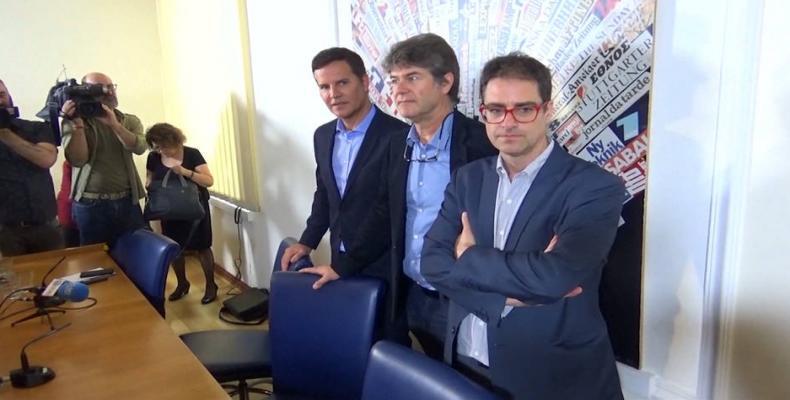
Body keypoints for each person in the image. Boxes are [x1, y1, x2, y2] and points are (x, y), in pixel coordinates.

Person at [421, 53, 625, 399]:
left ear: (547, 110)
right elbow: (432, 263)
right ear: (483, 113)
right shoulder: (468, 178)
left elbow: (556, 277)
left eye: (524, 109)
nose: (508, 122)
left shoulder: (596, 186)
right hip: (465, 363)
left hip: (552, 375)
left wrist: (468, 258)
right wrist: (505, 298)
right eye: (496, 110)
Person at [337, 33, 496, 359]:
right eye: (394, 80)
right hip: (410, 292)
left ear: (445, 82)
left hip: (459, 298)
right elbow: (386, 213)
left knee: (465, 385)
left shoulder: (483, 144)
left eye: (412, 77)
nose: (398, 89)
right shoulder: (397, 144)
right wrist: (342, 266)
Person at [279, 47, 408, 338]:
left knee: (386, 343)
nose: (333, 93)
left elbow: (388, 210)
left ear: (364, 82)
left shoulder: (398, 136)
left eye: (342, 83)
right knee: (349, 338)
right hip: (341, 255)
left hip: (383, 263)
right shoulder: (323, 135)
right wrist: (308, 241)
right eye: (324, 87)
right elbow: (325, 193)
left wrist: (344, 265)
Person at [60, 72, 147, 246]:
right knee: (95, 261)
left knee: (134, 256)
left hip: (127, 202)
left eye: (111, 86)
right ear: (85, 92)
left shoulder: (128, 120)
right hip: (90, 205)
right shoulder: (75, 121)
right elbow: (78, 159)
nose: (109, 92)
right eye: (100, 88)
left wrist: (115, 125)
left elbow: (139, 147)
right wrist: (77, 124)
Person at [145, 123, 218, 304]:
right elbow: (149, 178)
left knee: (202, 247)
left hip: (195, 208)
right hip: (169, 209)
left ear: (174, 140)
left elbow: (208, 181)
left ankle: (210, 285)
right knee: (174, 248)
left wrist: (185, 172)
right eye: (156, 146)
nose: (160, 150)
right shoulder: (153, 157)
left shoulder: (192, 153)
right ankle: (182, 283)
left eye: (163, 145)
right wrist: (149, 184)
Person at [0, 78, 63, 256]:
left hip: (46, 227)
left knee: (56, 279)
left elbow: (46, 159)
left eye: (1, 95)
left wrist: (5, 133)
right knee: (13, 283)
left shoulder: (36, 129)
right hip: (6, 232)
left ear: (10, 96)